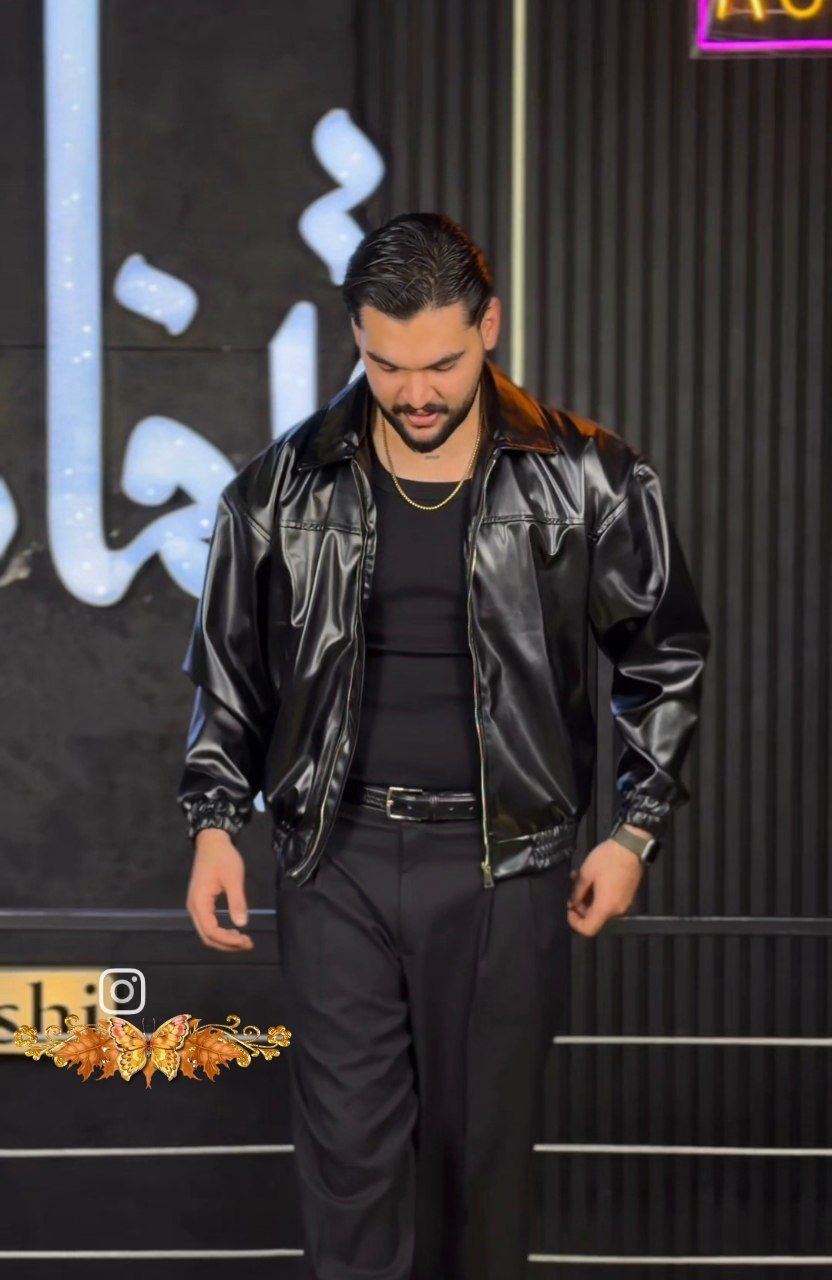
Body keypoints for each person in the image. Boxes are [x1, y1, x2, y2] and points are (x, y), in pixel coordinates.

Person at [177, 212, 710, 1279]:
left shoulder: (588, 475)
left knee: (480, 1174)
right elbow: (230, 673)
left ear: (489, 326)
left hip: (505, 865)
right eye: (387, 365)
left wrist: (636, 830)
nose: (415, 392)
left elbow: (664, 655)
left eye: (441, 364)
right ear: (356, 340)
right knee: (351, 1167)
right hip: (335, 860)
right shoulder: (279, 487)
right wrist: (214, 824)